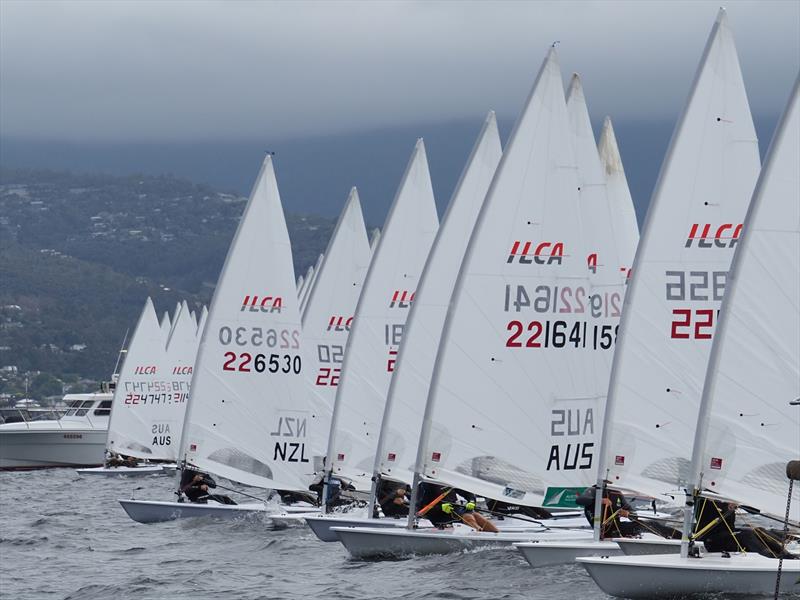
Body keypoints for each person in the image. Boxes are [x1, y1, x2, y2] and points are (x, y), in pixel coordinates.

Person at [692, 498, 797, 559]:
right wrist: (727, 507)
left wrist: (742, 502)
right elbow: (695, 497)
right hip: (710, 540)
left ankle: (786, 554)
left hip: (728, 536)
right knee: (746, 534)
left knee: (758, 530)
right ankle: (772, 557)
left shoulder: (726, 497)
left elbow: (755, 510)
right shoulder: (703, 499)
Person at [575, 485, 680, 539]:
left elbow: (634, 515)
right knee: (642, 527)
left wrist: (628, 514)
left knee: (651, 524)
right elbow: (579, 500)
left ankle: (678, 538)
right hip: (604, 531)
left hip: (617, 529)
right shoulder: (594, 490)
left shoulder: (616, 492)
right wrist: (600, 501)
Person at [415, 482, 499, 532]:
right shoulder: (424, 485)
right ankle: (480, 535)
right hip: (439, 517)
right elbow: (419, 510)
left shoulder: (446, 480)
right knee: (468, 516)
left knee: (476, 515)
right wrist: (440, 508)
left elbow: (468, 494)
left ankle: (496, 533)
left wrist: (472, 501)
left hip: (455, 510)